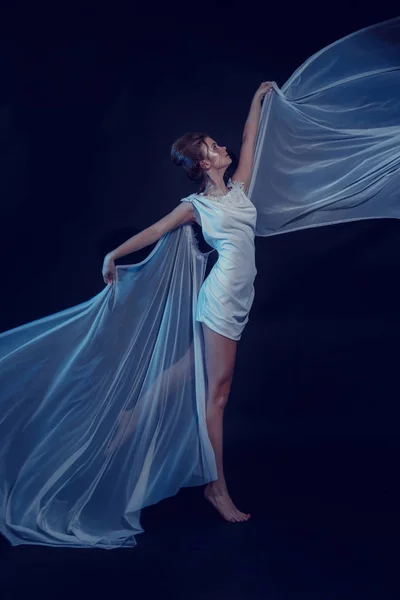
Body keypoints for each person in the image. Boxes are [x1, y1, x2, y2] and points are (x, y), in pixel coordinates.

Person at [101, 81, 274, 523]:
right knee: (217, 393)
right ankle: (217, 489)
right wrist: (114, 254)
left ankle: (129, 418)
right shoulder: (196, 206)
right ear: (202, 162)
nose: (223, 147)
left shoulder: (238, 187)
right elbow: (156, 230)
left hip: (238, 298)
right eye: (214, 147)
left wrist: (258, 98)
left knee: (188, 370)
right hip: (219, 298)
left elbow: (251, 136)